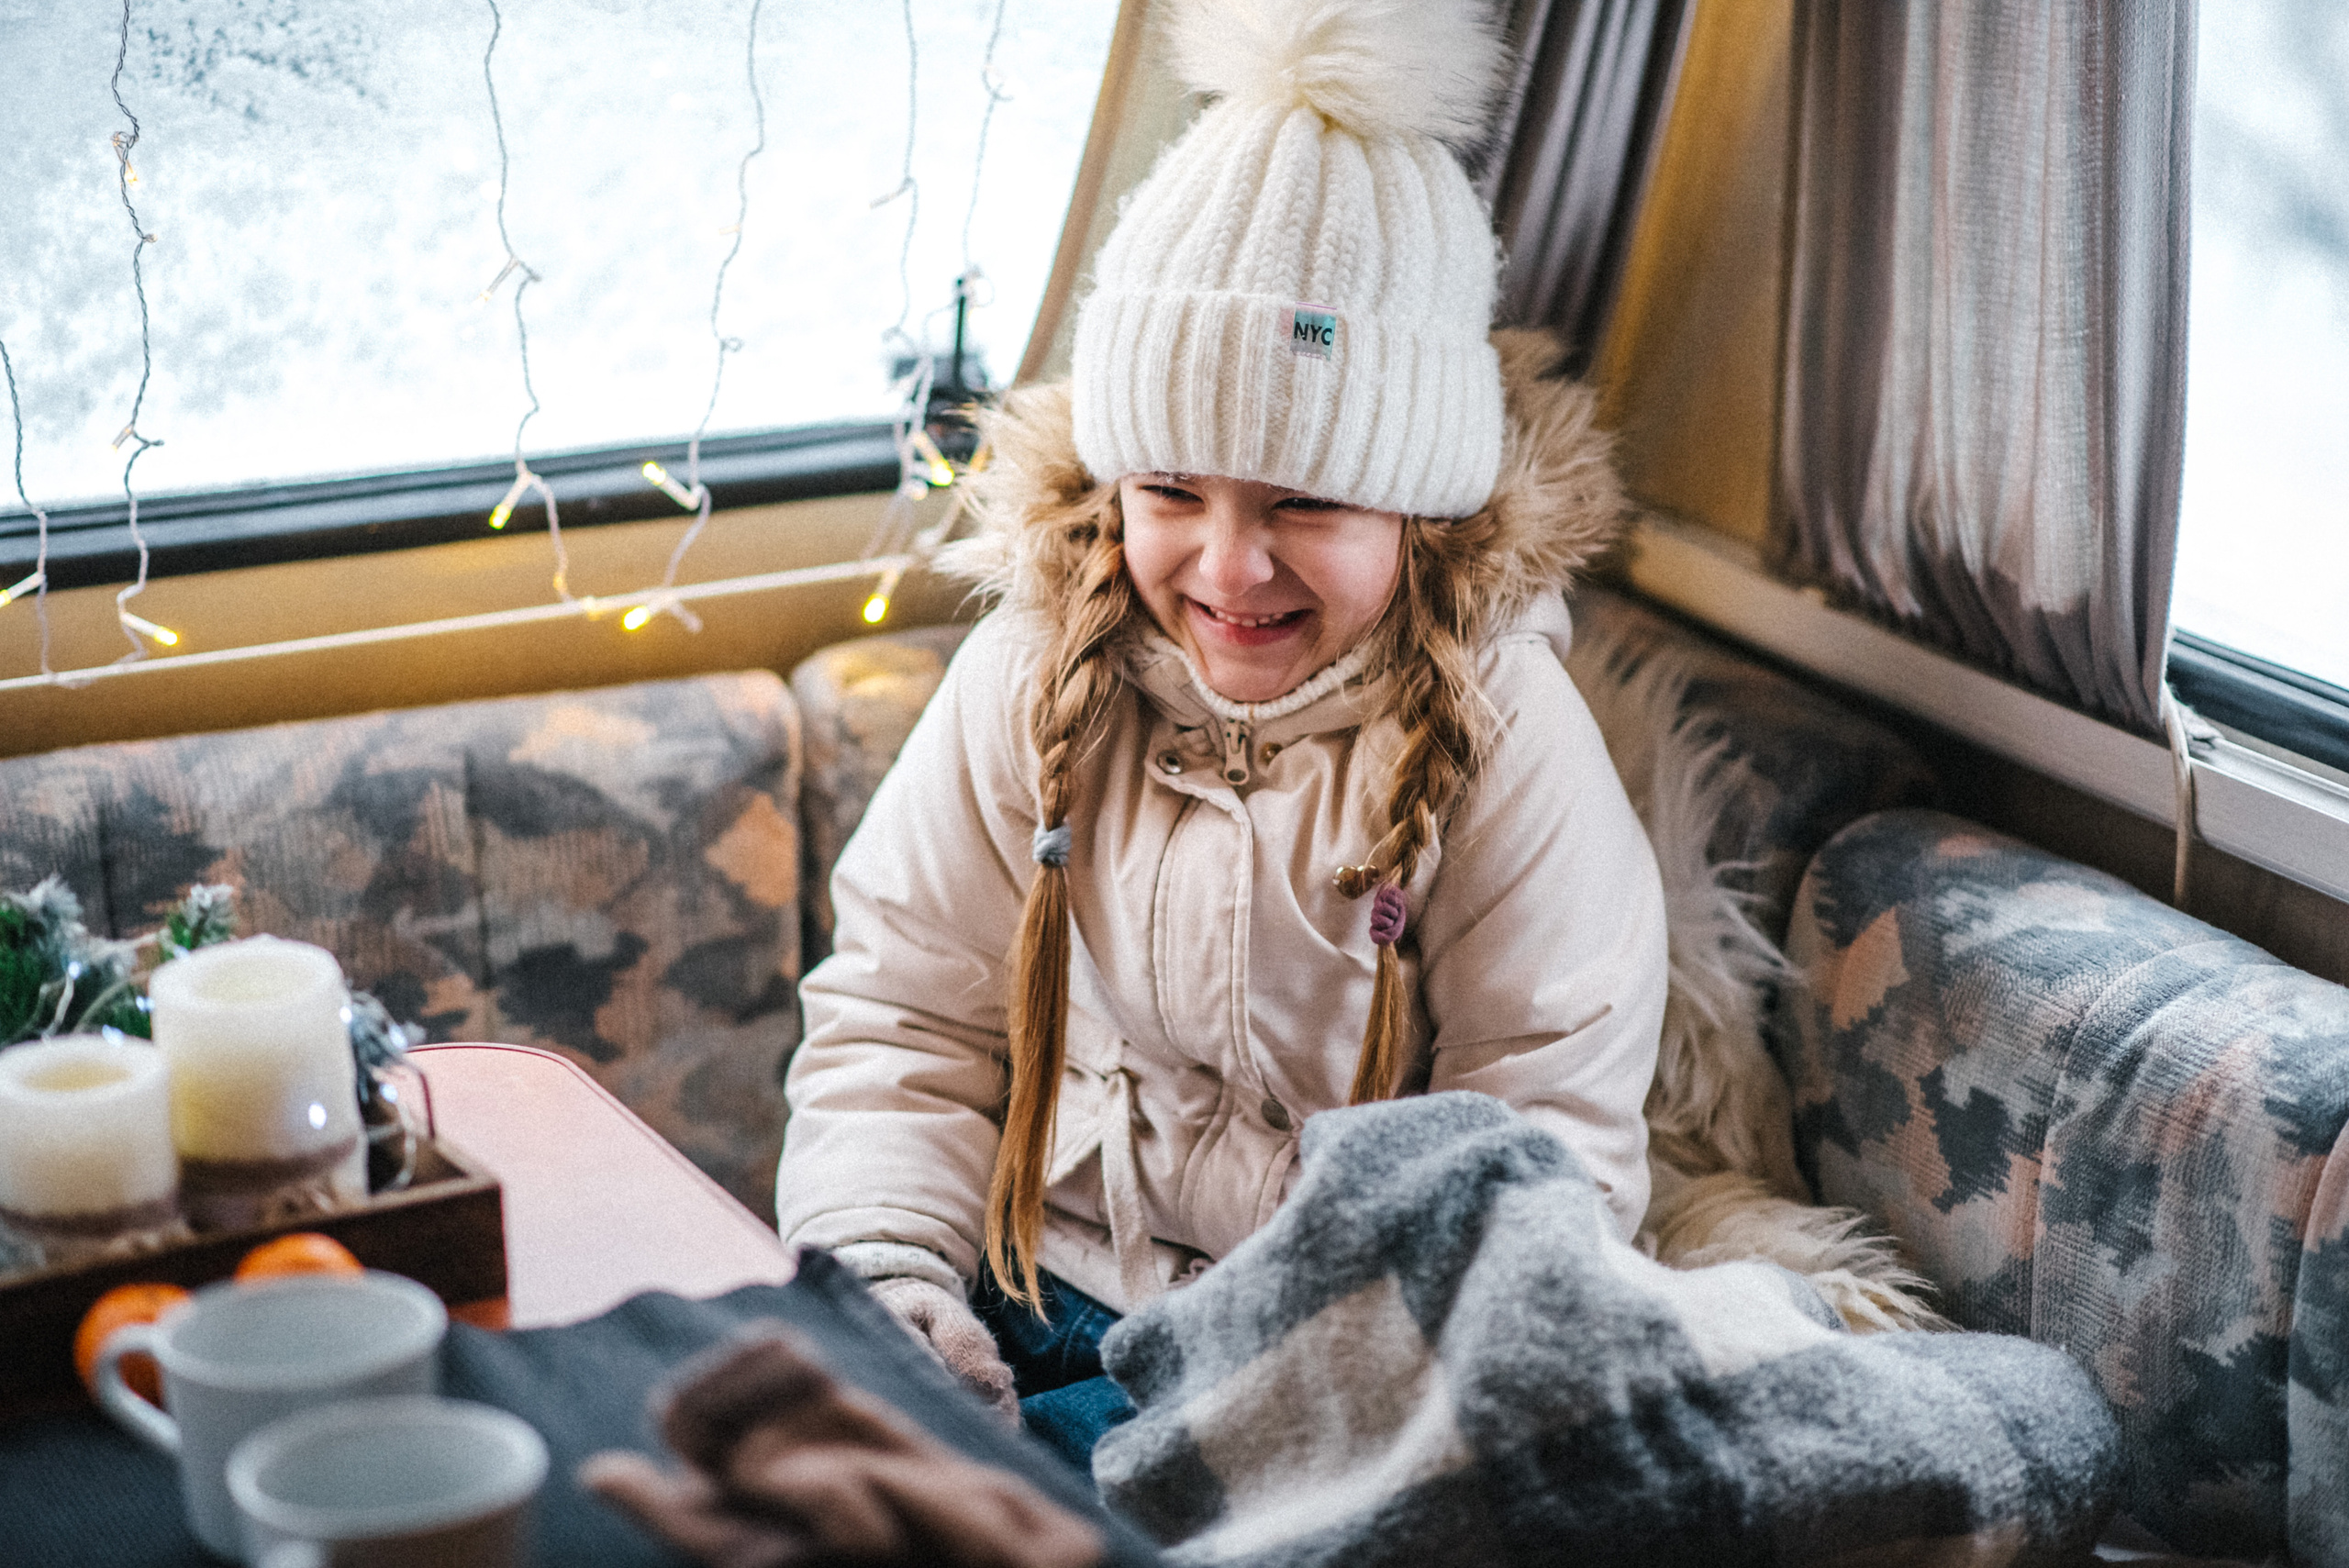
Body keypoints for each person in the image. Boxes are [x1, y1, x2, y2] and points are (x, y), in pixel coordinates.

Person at [774, 0, 1668, 1468]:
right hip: (1017, 1270)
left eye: (1305, 503)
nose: (1229, 566)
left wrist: (1306, 1402)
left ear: (1418, 507)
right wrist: (889, 1279)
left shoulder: (1500, 739)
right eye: (1173, 489)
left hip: (1315, 1351)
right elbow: (903, 1018)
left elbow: (1541, 1153)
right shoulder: (1032, 676)